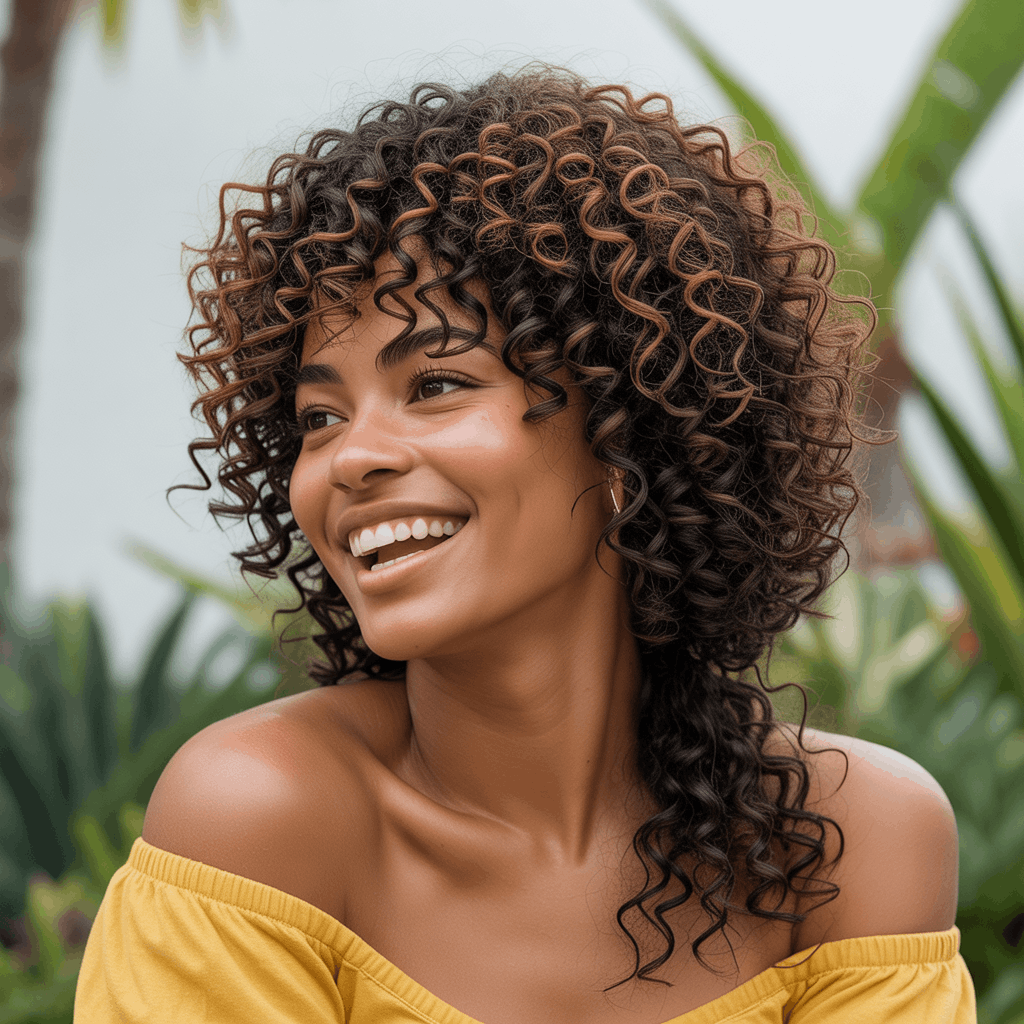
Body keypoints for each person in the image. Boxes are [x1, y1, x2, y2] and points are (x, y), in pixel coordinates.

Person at [74, 66, 975, 1022]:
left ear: (632, 433)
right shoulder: (262, 818)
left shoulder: (846, 844)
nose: (352, 460)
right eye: (320, 416)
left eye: (436, 386)